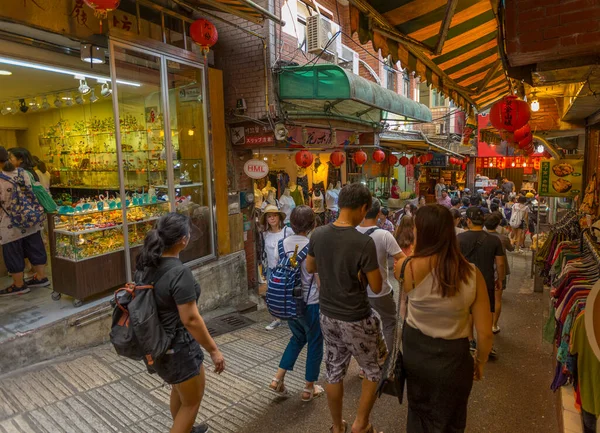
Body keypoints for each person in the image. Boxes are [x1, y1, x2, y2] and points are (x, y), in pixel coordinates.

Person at [394, 204, 493, 433]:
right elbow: (485, 333)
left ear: (422, 232)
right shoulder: (472, 274)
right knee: (451, 417)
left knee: (419, 411)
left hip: (416, 353)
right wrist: (479, 361)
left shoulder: (405, 268)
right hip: (455, 358)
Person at [134, 212, 226, 433]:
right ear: (183, 240)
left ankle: (187, 429)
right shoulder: (179, 272)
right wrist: (214, 350)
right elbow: (191, 319)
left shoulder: (146, 265)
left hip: (158, 345)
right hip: (179, 347)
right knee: (191, 402)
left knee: (180, 391)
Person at [306, 183, 386, 433]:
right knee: (373, 370)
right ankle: (360, 424)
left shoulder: (318, 234)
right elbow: (376, 285)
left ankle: (336, 425)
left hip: (327, 315)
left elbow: (310, 268)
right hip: (356, 316)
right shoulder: (363, 242)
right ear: (363, 208)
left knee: (334, 371)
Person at [268, 206, 324, 401]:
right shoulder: (313, 245)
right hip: (310, 303)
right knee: (315, 341)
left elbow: (276, 269)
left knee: (298, 337)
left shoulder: (281, 244)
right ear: (312, 224)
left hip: (287, 303)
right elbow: (317, 278)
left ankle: (277, 378)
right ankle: (309, 387)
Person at [0, 147, 49, 296]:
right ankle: (41, 277)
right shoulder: (23, 173)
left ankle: (19, 284)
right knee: (35, 246)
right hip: (30, 217)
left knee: (12, 252)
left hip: (10, 222)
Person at [357, 199, 405, 350]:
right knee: (390, 322)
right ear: (379, 214)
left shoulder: (352, 232)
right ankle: (391, 359)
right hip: (381, 291)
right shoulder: (384, 235)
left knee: (363, 327)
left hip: (358, 291)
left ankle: (367, 367)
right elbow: (402, 258)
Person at [458, 207, 505, 358]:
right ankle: (486, 345)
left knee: (469, 311)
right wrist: (500, 279)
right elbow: (500, 263)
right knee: (485, 311)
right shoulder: (494, 240)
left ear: (469, 221)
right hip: (487, 280)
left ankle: (471, 341)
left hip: (465, 280)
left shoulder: (460, 239)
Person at [260, 204, 294, 330]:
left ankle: (292, 319)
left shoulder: (288, 232)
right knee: (272, 295)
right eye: (269, 216)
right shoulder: (265, 234)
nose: (272, 218)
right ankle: (276, 319)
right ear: (267, 220)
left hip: (286, 269)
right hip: (271, 269)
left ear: (279, 218)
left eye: (274, 216)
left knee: (287, 293)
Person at [484, 213, 514, 334]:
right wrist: (501, 278)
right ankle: (494, 325)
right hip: (498, 273)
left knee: (483, 299)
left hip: (483, 270)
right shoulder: (502, 238)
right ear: (497, 225)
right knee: (497, 299)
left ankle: (484, 323)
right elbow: (510, 249)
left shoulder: (481, 237)